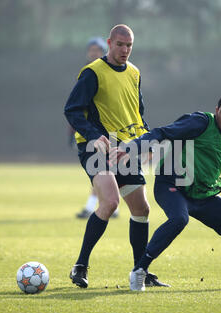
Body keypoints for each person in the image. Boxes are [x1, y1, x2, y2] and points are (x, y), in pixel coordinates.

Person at [111, 93, 221, 291]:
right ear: (216, 110)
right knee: (179, 219)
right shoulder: (200, 122)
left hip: (200, 195)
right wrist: (133, 147)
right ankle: (139, 271)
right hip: (171, 187)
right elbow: (163, 132)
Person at [64, 24, 168, 288]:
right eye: (120, 44)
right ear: (110, 43)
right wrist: (92, 135)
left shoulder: (134, 73)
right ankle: (80, 266)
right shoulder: (92, 73)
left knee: (142, 210)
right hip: (97, 146)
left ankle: (140, 271)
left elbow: (137, 111)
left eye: (129, 45)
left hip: (125, 147)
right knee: (109, 203)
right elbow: (72, 110)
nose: (125, 50)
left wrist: (146, 141)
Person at [68, 37, 120, 219]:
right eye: (91, 50)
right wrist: (74, 130)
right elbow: (75, 108)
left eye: (97, 50)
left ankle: (93, 207)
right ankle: (110, 205)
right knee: (104, 170)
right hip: (93, 133)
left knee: (104, 168)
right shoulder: (87, 73)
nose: (94, 53)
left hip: (109, 130)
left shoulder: (111, 72)